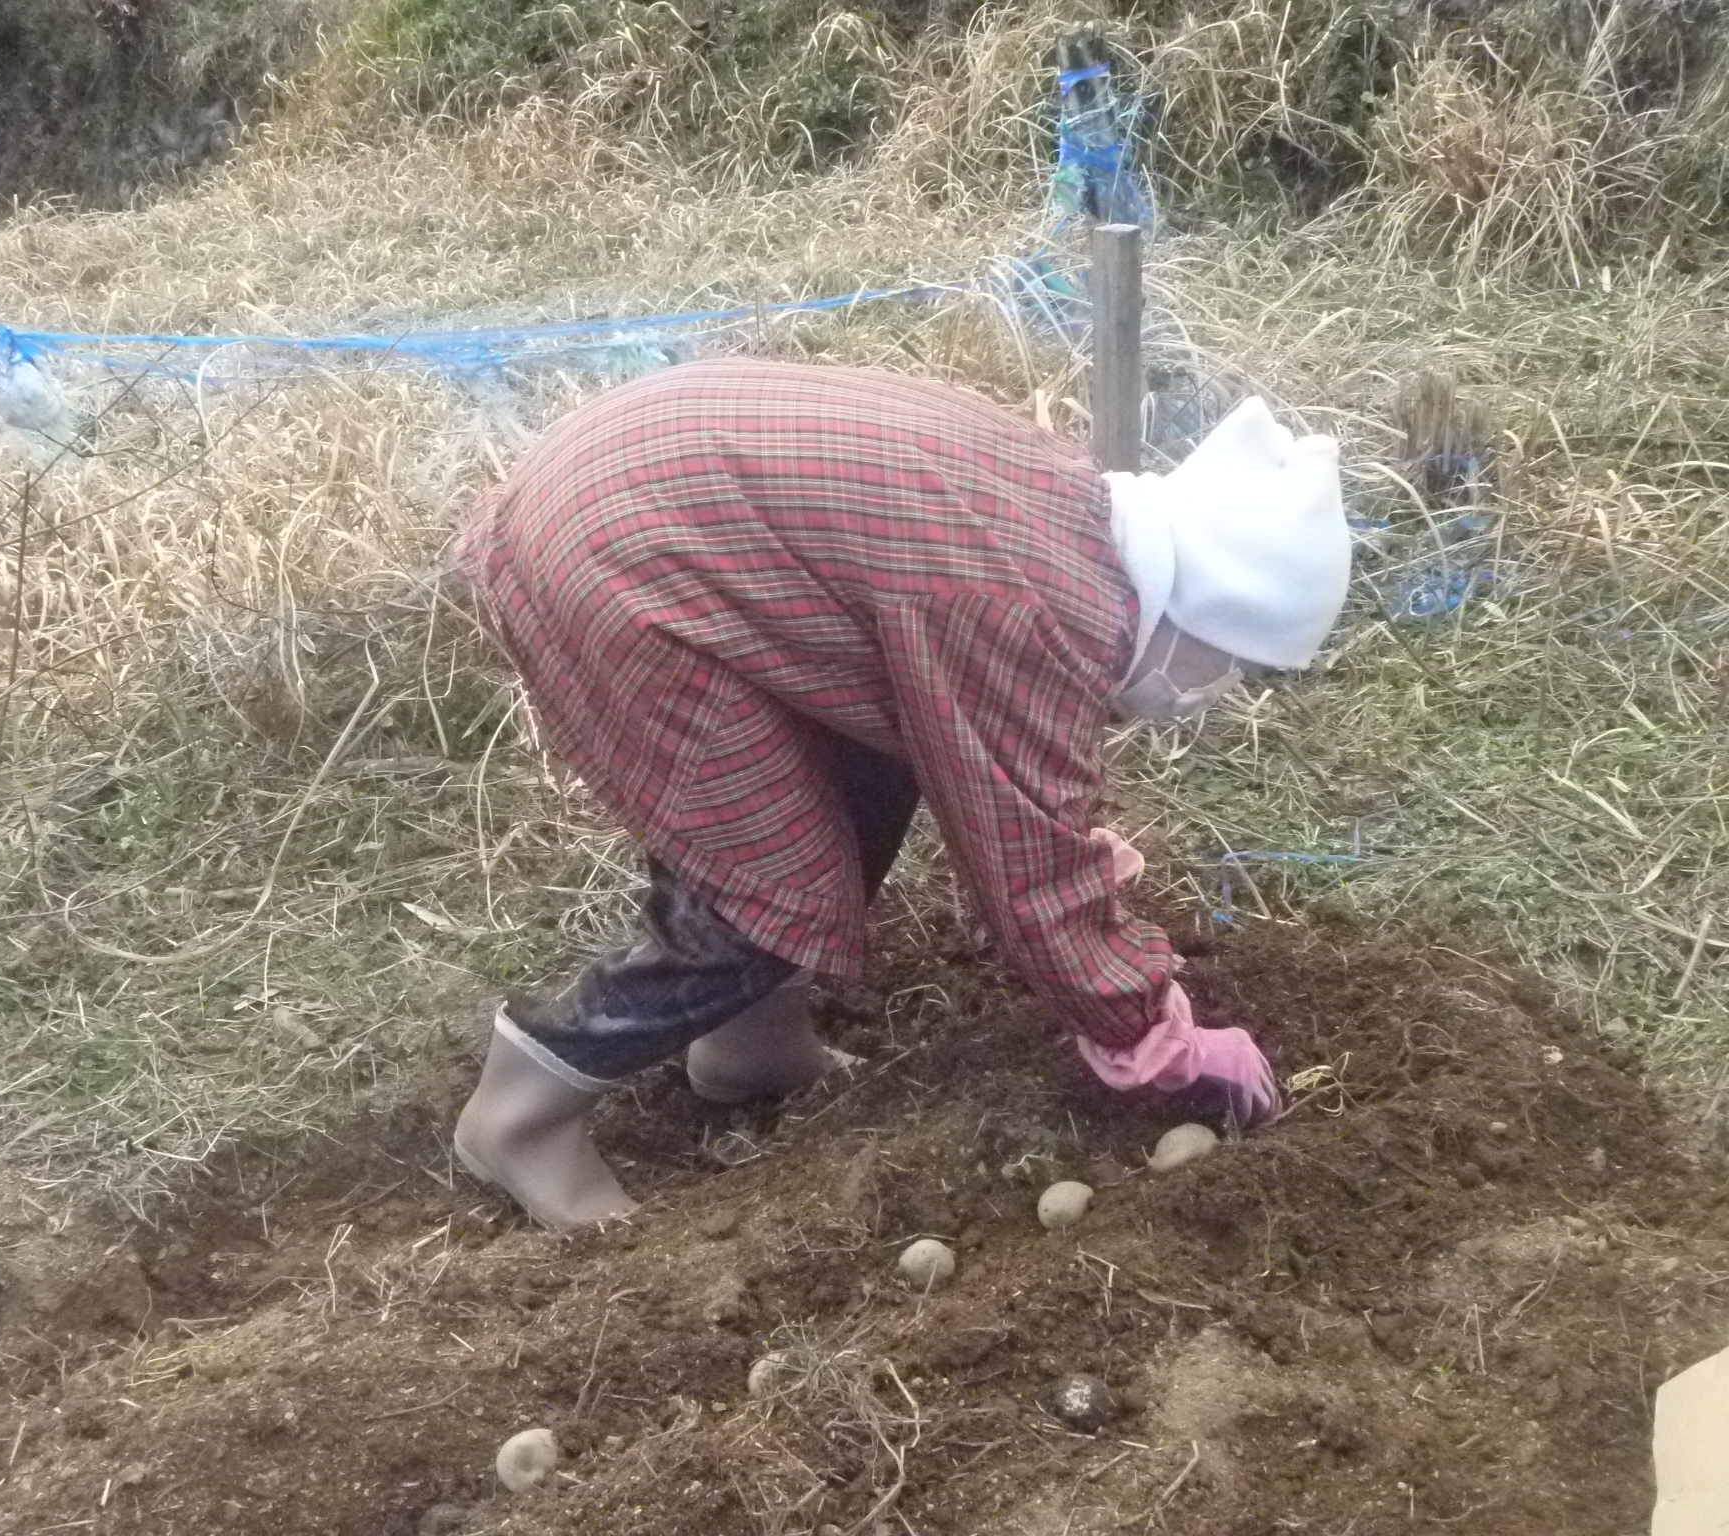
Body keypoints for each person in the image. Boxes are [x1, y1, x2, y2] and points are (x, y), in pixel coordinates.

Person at [450, 358, 1348, 1230]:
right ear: (1200, 606)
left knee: (854, 781)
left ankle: (749, 1049)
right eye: (1231, 662)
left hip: (646, 488)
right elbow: (1029, 871)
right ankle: (520, 1115)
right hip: (615, 553)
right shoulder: (1035, 610)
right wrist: (1151, 1036)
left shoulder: (1082, 530)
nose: (1219, 688)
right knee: (761, 887)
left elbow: (986, 774)